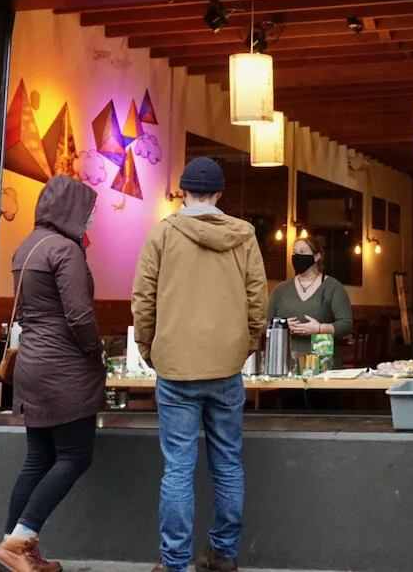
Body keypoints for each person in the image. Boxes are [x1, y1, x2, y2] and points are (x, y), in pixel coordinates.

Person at [131, 158, 267, 572]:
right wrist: (244, 347)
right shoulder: (244, 236)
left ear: (182, 192)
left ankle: (174, 561)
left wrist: (149, 349)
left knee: (178, 468)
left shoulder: (161, 234)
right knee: (228, 464)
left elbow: (143, 300)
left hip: (175, 368)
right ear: (219, 194)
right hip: (226, 368)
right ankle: (223, 553)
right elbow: (257, 301)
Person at [0, 174, 103, 572]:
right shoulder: (65, 250)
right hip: (64, 369)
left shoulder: (27, 246)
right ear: (72, 210)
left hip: (32, 366)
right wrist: (96, 350)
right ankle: (18, 543)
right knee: (74, 456)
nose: (91, 219)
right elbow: (79, 315)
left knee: (38, 459)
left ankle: (13, 547)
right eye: (88, 211)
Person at [267, 235, 353, 361]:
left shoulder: (332, 287)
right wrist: (282, 326)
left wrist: (319, 328)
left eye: (302, 252)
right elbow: (264, 323)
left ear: (317, 256)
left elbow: (346, 324)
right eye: (295, 253)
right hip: (284, 359)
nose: (297, 256)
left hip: (321, 360)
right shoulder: (281, 289)